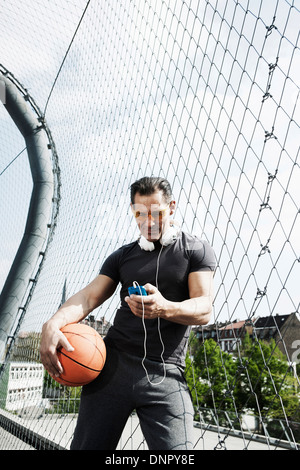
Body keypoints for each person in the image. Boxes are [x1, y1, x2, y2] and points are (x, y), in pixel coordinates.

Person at [40, 176, 216, 450]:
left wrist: (164, 308)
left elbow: (204, 307)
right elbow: (88, 297)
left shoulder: (195, 250)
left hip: (166, 372)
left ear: (171, 208)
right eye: (139, 213)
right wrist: (53, 323)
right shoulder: (122, 256)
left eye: (156, 212)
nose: (148, 221)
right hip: (112, 366)